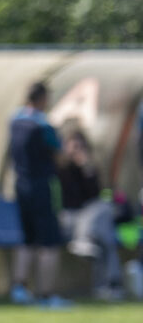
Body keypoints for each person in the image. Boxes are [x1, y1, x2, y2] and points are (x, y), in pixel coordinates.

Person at [8, 82, 67, 307]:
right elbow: (60, 155)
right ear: (42, 98)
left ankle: (19, 289)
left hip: (21, 185)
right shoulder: (43, 125)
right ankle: (47, 295)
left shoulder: (14, 120)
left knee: (27, 239)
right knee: (49, 242)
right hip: (42, 186)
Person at [57, 127, 124, 300]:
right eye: (74, 146)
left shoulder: (89, 169)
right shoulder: (62, 169)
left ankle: (84, 241)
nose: (77, 150)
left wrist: (86, 168)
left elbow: (95, 194)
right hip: (70, 218)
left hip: (90, 220)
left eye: (81, 146)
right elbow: (71, 199)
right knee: (104, 233)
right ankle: (113, 283)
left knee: (102, 221)